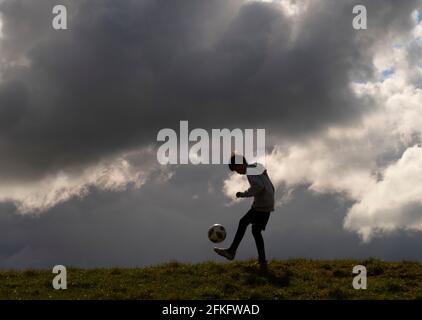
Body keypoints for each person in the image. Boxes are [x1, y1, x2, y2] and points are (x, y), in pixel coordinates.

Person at [214, 154, 275, 271]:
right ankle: (262, 262)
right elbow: (267, 181)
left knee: (243, 222)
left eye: (236, 169)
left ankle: (231, 252)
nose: (237, 172)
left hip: (261, 206)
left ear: (241, 164)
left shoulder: (250, 171)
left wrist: (243, 194)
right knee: (256, 231)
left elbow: (259, 187)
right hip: (268, 204)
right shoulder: (256, 167)